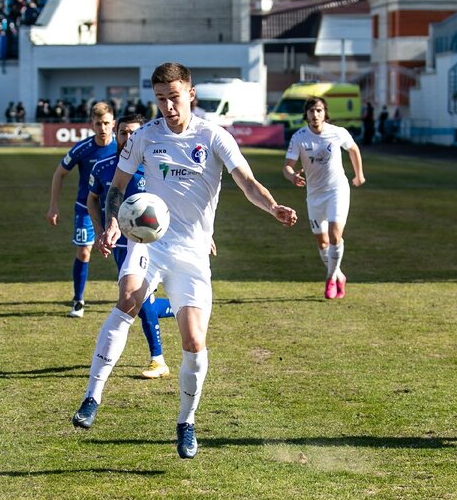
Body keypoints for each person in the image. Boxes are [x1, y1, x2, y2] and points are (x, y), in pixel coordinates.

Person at [71, 62, 298, 459]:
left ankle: (186, 423)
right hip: (149, 242)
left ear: (190, 94)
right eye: (160, 99)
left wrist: (273, 206)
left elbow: (246, 182)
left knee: (194, 340)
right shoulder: (145, 136)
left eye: (173, 98)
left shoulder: (213, 137)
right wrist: (110, 224)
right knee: (127, 300)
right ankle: (92, 397)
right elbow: (117, 187)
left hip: (192, 252)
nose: (167, 107)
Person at [86, 113, 176, 379]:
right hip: (120, 243)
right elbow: (93, 200)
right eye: (123, 133)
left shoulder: (156, 166)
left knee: (139, 296)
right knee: (135, 300)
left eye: (133, 133)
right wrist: (102, 231)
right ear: (116, 134)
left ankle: (157, 359)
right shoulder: (103, 167)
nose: (128, 138)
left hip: (155, 242)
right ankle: (176, 307)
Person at [282, 96, 366, 299]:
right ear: (306, 115)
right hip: (314, 195)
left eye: (319, 110)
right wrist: (292, 176)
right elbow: (287, 166)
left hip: (337, 190)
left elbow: (353, 149)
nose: (315, 115)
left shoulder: (337, 133)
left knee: (336, 234)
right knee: (322, 243)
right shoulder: (299, 137)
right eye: (311, 111)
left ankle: (330, 278)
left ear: (325, 113)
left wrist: (359, 174)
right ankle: (339, 275)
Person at [47, 102, 116, 317]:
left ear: (113, 123)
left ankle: (135, 296)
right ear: (91, 124)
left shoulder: (124, 146)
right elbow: (60, 173)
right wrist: (53, 206)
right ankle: (78, 300)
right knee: (84, 251)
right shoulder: (83, 148)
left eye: (106, 123)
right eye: (98, 124)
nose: (102, 128)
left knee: (125, 252)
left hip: (116, 209)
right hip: (85, 208)